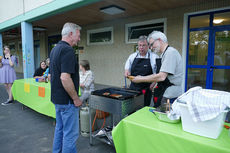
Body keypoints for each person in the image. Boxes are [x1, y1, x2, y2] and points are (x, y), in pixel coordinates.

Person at [49, 22, 82, 153]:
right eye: (78, 36)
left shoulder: (54, 49)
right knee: (70, 134)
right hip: (68, 101)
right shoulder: (68, 50)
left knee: (60, 129)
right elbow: (64, 77)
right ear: (71, 34)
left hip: (57, 99)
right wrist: (75, 98)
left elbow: (52, 75)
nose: (79, 39)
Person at [132, 31, 183, 111]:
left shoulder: (170, 53)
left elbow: (162, 76)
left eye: (152, 44)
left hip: (170, 95)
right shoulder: (163, 54)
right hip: (164, 92)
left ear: (159, 40)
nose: (151, 48)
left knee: (166, 119)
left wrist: (141, 79)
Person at [124, 35, 158, 106]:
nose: (141, 47)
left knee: (144, 109)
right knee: (131, 108)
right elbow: (127, 69)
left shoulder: (154, 57)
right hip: (133, 88)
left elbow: (158, 73)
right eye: (140, 45)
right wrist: (127, 72)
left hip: (146, 88)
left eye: (144, 45)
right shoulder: (132, 56)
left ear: (148, 46)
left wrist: (153, 83)